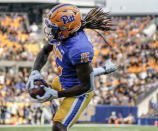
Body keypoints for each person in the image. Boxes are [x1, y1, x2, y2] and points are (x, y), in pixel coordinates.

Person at [26, 3, 116, 131]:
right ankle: (58, 109)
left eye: (55, 28)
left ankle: (60, 114)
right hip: (62, 81)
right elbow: (45, 50)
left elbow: (87, 86)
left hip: (78, 92)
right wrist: (35, 71)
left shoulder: (80, 48)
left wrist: (56, 94)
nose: (51, 31)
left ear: (67, 29)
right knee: (40, 90)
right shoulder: (62, 34)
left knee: (58, 127)